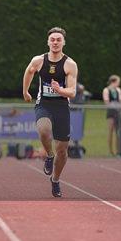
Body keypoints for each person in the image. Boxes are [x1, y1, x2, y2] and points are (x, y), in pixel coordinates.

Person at [22, 27, 78, 197]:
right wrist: (25, 91)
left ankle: (55, 180)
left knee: (63, 150)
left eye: (58, 39)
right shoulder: (39, 60)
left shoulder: (70, 64)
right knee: (44, 129)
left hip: (61, 106)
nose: (55, 42)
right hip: (44, 104)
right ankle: (49, 155)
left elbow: (72, 92)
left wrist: (60, 90)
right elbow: (29, 71)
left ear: (63, 42)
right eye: (52, 39)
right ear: (48, 42)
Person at [103, 75, 121, 156]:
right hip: (111, 112)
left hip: (118, 112)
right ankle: (111, 151)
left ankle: (118, 150)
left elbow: (120, 100)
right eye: (118, 82)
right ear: (113, 82)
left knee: (118, 132)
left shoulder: (118, 90)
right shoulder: (106, 90)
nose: (118, 84)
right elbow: (106, 101)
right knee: (111, 131)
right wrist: (113, 106)